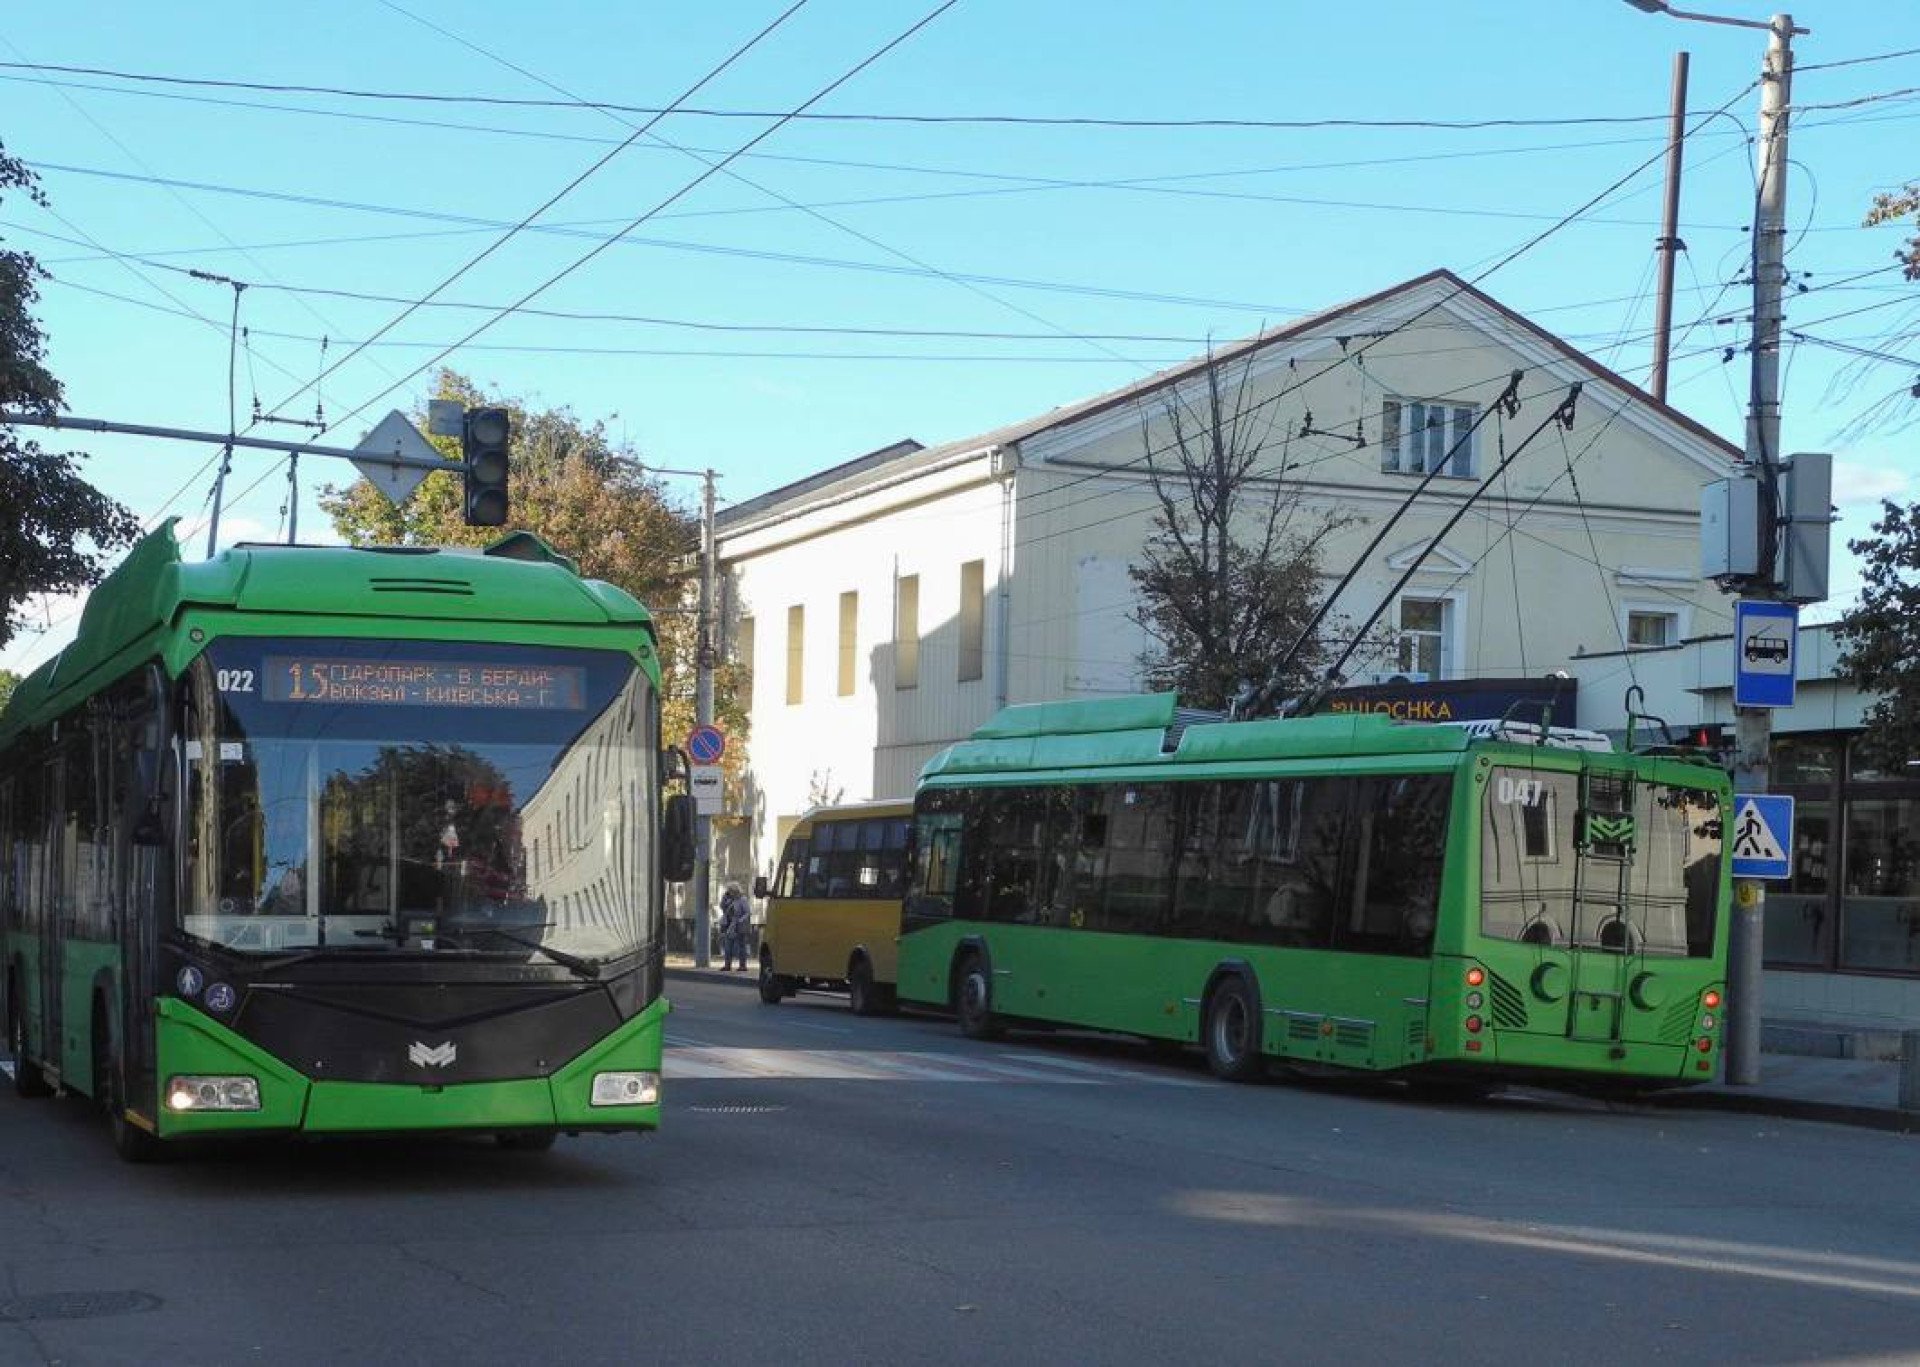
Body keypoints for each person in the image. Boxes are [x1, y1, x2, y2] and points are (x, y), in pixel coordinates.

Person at [719, 882, 751, 971]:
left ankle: (742, 966)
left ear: (735, 891)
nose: (729, 893)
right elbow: (722, 907)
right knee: (728, 946)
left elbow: (747, 912)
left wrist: (740, 920)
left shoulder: (742, 899)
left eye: (730, 891)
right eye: (728, 891)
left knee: (741, 946)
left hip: (739, 925)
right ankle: (727, 965)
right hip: (729, 925)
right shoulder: (729, 900)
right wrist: (724, 897)